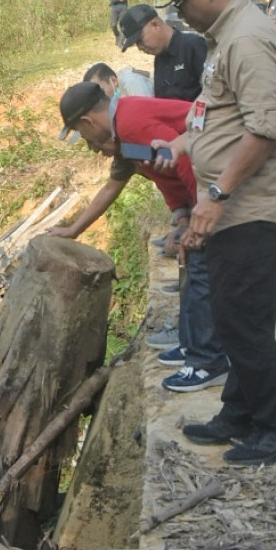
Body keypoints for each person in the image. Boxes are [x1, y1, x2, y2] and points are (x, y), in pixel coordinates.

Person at [155, 0, 276, 464]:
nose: (178, 14)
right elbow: (215, 115)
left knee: (242, 321)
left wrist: (217, 194)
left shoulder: (247, 40)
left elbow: (266, 127)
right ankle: (240, 412)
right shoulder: (227, 38)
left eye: (181, 2)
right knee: (236, 315)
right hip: (238, 208)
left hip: (255, 207)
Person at [51, 81, 228, 394]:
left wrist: (198, 214)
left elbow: (188, 160)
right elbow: (160, 174)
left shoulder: (131, 123)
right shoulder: (123, 136)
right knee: (190, 266)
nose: (89, 145)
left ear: (88, 122)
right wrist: (182, 216)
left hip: (218, 175)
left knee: (201, 267)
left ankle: (208, 361)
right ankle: (191, 345)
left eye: (83, 134)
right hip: (201, 190)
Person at [118, 3, 208, 101]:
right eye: (136, 44)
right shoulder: (159, 60)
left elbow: (213, 93)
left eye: (140, 40)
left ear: (155, 25)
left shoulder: (192, 46)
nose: (140, 47)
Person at [83, 60, 153, 99]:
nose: (99, 97)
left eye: (101, 90)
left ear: (113, 81)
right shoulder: (117, 92)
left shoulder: (131, 82)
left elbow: (147, 112)